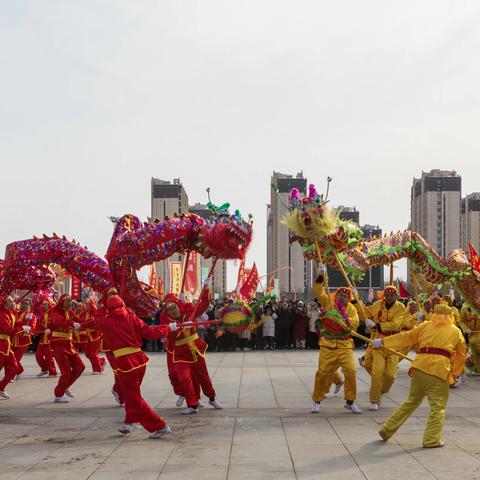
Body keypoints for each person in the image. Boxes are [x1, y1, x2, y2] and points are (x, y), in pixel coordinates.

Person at [373, 303, 466, 448]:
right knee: (438, 406)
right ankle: (431, 440)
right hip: (439, 370)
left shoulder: (425, 325)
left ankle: (387, 429)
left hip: (419, 367)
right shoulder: (455, 331)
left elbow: (406, 337)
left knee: (411, 401)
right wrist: (456, 372)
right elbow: (461, 353)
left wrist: (384, 341)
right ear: (451, 315)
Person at [87, 294, 172, 439]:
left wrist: (77, 325)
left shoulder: (106, 322)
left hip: (126, 363)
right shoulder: (132, 317)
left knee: (133, 397)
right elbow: (150, 332)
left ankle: (160, 425)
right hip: (139, 360)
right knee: (130, 394)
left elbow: (93, 323)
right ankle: (129, 422)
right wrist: (167, 328)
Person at [161, 285, 222, 414]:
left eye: (175, 307)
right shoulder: (167, 321)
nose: (173, 311)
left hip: (195, 350)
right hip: (181, 354)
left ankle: (211, 398)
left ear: (179, 305)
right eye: (170, 309)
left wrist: (206, 288)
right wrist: (174, 329)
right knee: (184, 378)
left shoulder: (190, 312)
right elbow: (169, 335)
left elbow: (204, 304)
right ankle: (192, 404)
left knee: (204, 378)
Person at [310, 276, 362, 414]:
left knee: (350, 371)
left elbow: (355, 323)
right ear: (336, 295)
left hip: (345, 344)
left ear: (349, 298)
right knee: (322, 373)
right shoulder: (329, 303)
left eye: (345, 296)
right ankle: (317, 400)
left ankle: (350, 401)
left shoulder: (352, 308)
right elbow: (319, 292)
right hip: (328, 344)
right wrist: (320, 281)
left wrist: (340, 321)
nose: (342, 298)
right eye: (340, 295)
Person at [360, 285, 405, 411]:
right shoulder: (377, 305)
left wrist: (377, 325)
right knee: (376, 372)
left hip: (394, 343)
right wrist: (355, 299)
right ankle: (374, 400)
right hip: (378, 343)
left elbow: (396, 324)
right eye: (387, 295)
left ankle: (381, 390)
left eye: (392, 295)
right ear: (384, 295)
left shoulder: (400, 307)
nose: (389, 297)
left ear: (396, 296)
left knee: (390, 376)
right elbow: (365, 312)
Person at [49, 294, 85, 403]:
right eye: (67, 301)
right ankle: (58, 394)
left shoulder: (70, 312)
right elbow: (59, 322)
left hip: (69, 345)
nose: (70, 303)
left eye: (70, 301)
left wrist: (96, 321)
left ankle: (65, 387)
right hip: (58, 345)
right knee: (66, 372)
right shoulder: (55, 312)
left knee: (80, 367)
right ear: (62, 303)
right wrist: (72, 323)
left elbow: (80, 321)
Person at [0, 296, 20, 398]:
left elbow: (16, 324)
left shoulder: (11, 313)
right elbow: (7, 329)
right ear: (5, 303)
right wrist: (20, 329)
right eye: (10, 301)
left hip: (7, 344)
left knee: (14, 369)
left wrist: (26, 321)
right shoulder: (2, 314)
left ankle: (1, 387)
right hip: (1, 344)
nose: (13, 302)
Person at [11, 298, 36, 379]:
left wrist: (28, 327)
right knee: (11, 357)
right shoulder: (17, 313)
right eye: (23, 303)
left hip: (24, 339)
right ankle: (19, 370)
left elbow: (32, 326)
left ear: (30, 305)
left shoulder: (31, 315)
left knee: (16, 358)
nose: (25, 305)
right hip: (14, 338)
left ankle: (12, 374)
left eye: (27, 304)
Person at [33, 295, 57, 377]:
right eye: (43, 304)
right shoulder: (42, 313)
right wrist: (35, 331)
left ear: (49, 304)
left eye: (45, 304)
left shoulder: (53, 313)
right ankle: (44, 369)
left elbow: (56, 324)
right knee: (38, 355)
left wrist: (51, 329)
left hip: (50, 338)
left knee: (48, 357)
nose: (44, 305)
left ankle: (53, 372)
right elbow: (39, 325)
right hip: (43, 338)